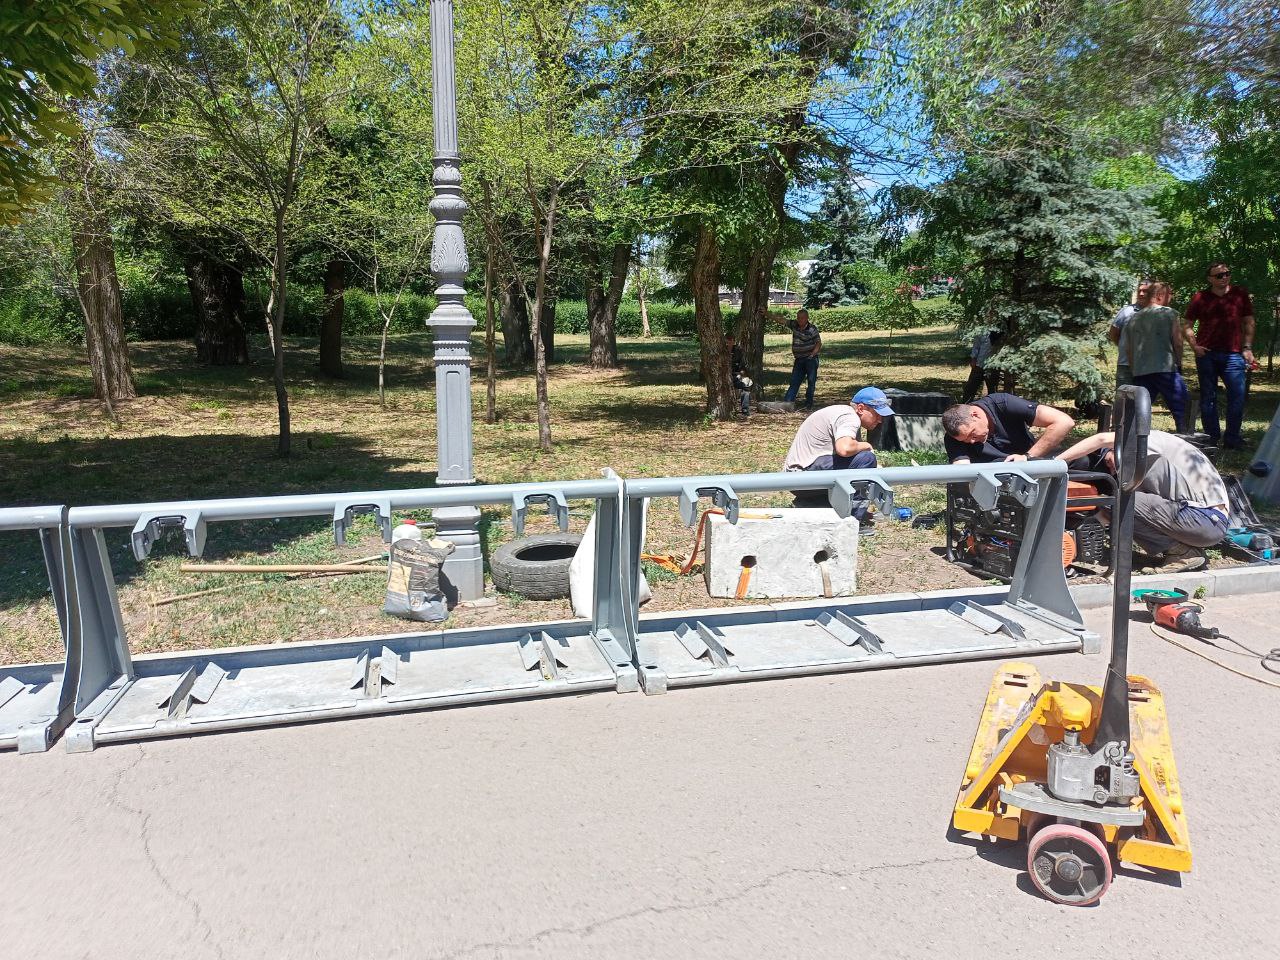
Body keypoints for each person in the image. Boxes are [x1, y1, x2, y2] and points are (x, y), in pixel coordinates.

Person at [1056, 429, 1229, 572]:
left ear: (1117, 447)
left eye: (1109, 461)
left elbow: (1101, 438)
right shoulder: (1154, 462)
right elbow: (1119, 514)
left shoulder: (1145, 440)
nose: (1112, 469)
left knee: (1117, 501)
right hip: (1204, 520)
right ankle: (1182, 552)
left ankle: (1182, 552)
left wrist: (1055, 463)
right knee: (1119, 504)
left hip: (1206, 518)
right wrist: (1079, 534)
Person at [784, 387, 895, 511]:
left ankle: (812, 503)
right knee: (866, 458)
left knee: (860, 462)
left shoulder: (842, 413)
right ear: (861, 408)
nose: (880, 420)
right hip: (803, 477)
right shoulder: (850, 417)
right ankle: (856, 517)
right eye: (877, 414)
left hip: (796, 478)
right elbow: (845, 449)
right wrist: (867, 446)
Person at [1184, 262, 1256, 449]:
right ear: (1210, 279)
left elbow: (1249, 322)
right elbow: (1187, 325)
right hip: (1207, 354)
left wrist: (1247, 348)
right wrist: (1195, 347)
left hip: (1233, 355)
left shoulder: (1240, 294)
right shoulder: (1201, 297)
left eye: (1226, 274)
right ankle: (1211, 437)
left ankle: (1232, 438)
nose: (1224, 277)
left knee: (1237, 396)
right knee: (1208, 397)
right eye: (1219, 275)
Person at [942, 394, 1075, 463]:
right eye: (965, 440)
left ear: (975, 415)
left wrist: (1027, 457)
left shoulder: (1003, 403)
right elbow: (962, 470)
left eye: (972, 434)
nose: (971, 442)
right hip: (996, 476)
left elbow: (1064, 422)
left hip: (1031, 460)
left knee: (1081, 461)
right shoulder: (954, 437)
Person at [1126, 281, 1189, 430]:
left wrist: (1134, 369)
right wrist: (1179, 363)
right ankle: (1185, 437)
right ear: (1160, 295)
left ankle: (1135, 441)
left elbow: (1129, 349)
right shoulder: (1169, 313)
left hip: (1141, 371)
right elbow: (1178, 342)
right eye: (1170, 294)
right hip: (1165, 369)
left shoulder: (1133, 319)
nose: (1171, 297)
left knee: (1140, 409)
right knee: (1182, 407)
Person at [1108, 279, 1153, 387]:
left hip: (1149, 366)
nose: (1141, 294)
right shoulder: (1126, 311)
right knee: (1123, 398)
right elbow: (1113, 334)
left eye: (1145, 291)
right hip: (1126, 365)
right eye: (1139, 291)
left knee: (1144, 399)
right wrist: (1125, 346)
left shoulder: (1156, 313)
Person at [776, 308, 821, 409]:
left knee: (811, 382)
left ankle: (808, 403)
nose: (799, 320)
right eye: (798, 318)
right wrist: (766, 313)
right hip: (799, 359)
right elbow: (782, 320)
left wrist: (812, 354)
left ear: (806, 318)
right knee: (795, 381)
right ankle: (788, 402)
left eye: (802, 318)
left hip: (810, 359)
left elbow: (818, 342)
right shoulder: (794, 325)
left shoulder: (812, 329)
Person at [961, 329, 1002, 403]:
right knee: (970, 388)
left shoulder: (1001, 330)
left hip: (993, 367)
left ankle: (991, 408)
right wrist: (973, 359)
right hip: (979, 365)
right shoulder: (982, 330)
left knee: (992, 390)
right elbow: (976, 346)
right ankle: (965, 405)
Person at [725, 333, 752, 416]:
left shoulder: (738, 351)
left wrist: (742, 374)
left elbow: (743, 367)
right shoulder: (721, 351)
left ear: (734, 341)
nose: (729, 343)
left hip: (735, 375)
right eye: (727, 341)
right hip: (723, 377)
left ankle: (745, 409)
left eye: (731, 341)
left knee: (746, 386)